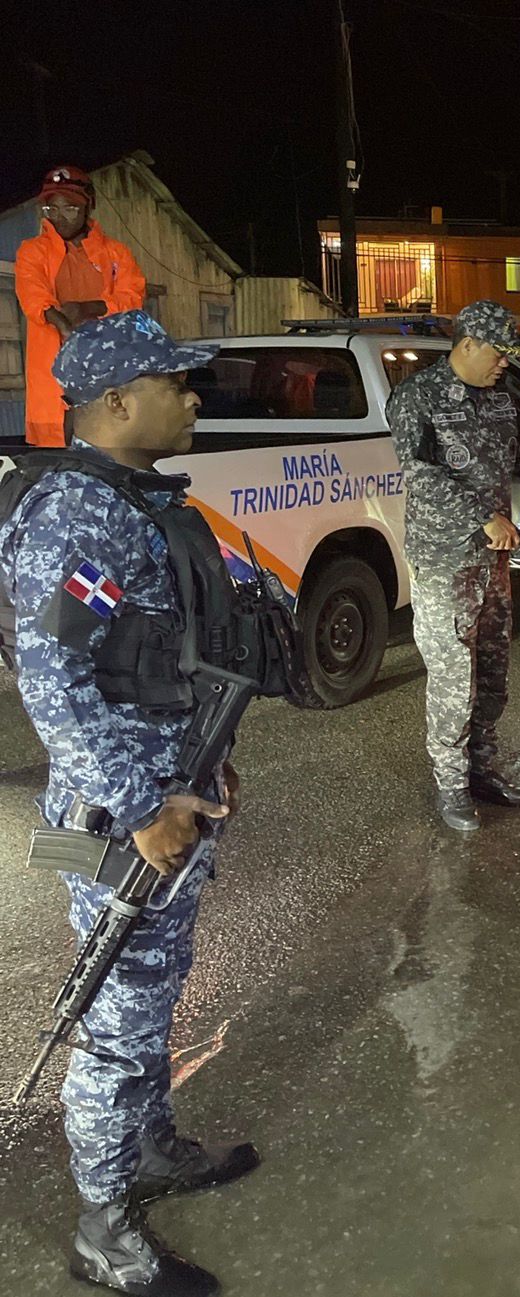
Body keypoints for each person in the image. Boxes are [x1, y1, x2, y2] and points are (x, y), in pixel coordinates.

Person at [0, 312, 262, 1296]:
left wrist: (204, 768)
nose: (195, 400)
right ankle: (105, 1228)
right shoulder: (81, 516)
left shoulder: (137, 501)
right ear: (116, 403)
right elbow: (58, 685)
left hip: (171, 797)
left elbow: (164, 659)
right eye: (178, 384)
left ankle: (151, 1149)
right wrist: (147, 802)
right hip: (126, 822)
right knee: (115, 1020)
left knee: (151, 992)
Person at [386, 300, 520, 832]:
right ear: (468, 343)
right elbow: (419, 472)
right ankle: (451, 787)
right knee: (455, 677)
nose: (504, 364)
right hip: (445, 558)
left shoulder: (500, 397)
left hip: (493, 559)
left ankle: (481, 772)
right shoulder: (417, 397)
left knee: (493, 670)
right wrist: (482, 517)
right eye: (499, 353)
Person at [14, 165, 146, 447]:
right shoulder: (32, 251)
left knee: (109, 453)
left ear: (89, 205)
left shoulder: (116, 253)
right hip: (54, 381)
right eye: (52, 209)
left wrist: (90, 308)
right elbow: (33, 295)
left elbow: (132, 298)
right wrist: (63, 325)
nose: (60, 217)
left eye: (70, 208)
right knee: (59, 465)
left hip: (106, 374)